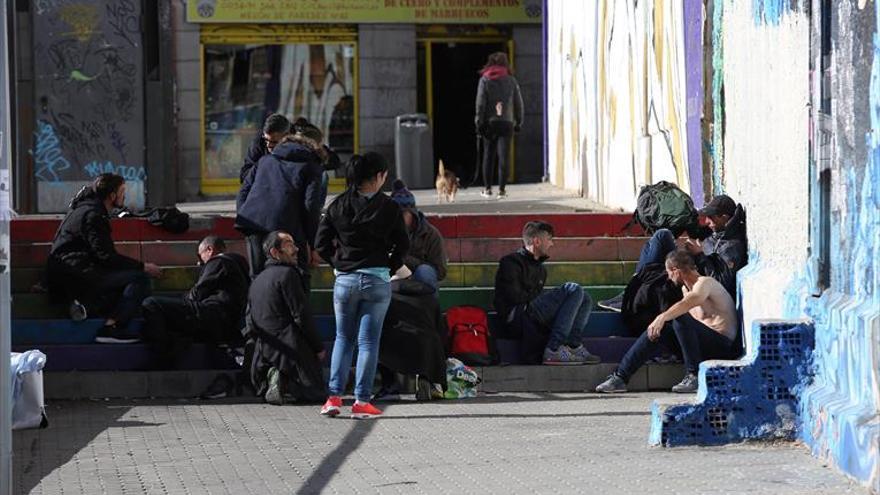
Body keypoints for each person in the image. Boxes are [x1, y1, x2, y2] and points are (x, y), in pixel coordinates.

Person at [314, 152, 409, 419]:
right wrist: (389, 268)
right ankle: (361, 401)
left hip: (345, 281)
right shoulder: (389, 208)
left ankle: (333, 398)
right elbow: (403, 245)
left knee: (343, 339)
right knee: (368, 343)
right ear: (379, 177)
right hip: (377, 281)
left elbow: (320, 244)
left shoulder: (337, 205)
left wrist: (338, 264)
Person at [596, 249, 742, 394]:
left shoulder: (705, 282)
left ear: (675, 270)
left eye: (668, 272)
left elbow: (692, 301)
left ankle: (693, 375)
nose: (668, 277)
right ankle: (620, 377)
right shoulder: (685, 290)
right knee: (659, 329)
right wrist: (659, 323)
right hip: (701, 348)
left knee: (678, 316)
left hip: (722, 346)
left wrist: (662, 317)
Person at [45, 173, 162, 344]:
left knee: (121, 284)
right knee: (140, 280)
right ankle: (112, 328)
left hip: (68, 274)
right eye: (122, 191)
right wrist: (143, 266)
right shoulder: (94, 215)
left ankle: (87, 305)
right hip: (78, 274)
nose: (125, 196)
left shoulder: (81, 209)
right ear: (112, 195)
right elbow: (106, 256)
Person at [598, 193, 748, 311]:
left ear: (724, 218)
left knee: (662, 239)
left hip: (693, 283)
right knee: (660, 238)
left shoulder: (732, 247)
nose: (707, 222)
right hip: (688, 267)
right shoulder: (717, 232)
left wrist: (700, 255)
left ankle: (630, 295)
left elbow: (720, 283)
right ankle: (630, 293)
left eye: (711, 218)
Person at [494, 221, 601, 365]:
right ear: (537, 241)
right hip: (518, 316)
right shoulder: (510, 262)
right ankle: (554, 348)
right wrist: (544, 298)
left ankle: (573, 345)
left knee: (585, 298)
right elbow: (514, 297)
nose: (552, 244)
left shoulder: (541, 270)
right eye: (549, 239)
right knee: (573, 289)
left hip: (533, 316)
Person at [245, 231, 327, 405]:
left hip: (264, 352)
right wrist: (317, 347)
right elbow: (301, 315)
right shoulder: (288, 275)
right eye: (289, 245)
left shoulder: (257, 280)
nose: (296, 249)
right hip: (289, 348)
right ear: (275, 252)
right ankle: (283, 379)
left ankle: (275, 376)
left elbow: (249, 320)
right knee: (315, 393)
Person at [141, 236, 249, 366]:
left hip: (214, 315)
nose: (199, 263)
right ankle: (178, 342)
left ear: (209, 249)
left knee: (152, 304)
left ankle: (161, 357)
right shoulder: (240, 264)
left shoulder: (219, 261)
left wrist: (183, 301)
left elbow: (197, 293)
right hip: (227, 321)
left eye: (200, 256)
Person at [236, 132, 325, 282]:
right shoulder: (311, 165)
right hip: (290, 228)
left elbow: (243, 192)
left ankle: (258, 304)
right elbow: (311, 205)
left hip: (255, 224)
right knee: (298, 276)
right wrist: (313, 243)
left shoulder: (264, 160)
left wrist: (244, 217)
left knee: (257, 277)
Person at [475, 51, 523, 200]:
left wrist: (479, 122)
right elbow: (518, 103)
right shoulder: (511, 80)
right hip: (507, 122)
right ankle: (501, 190)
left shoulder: (484, 80)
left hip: (490, 123)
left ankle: (488, 189)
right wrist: (519, 122)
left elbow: (480, 102)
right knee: (504, 157)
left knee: (488, 156)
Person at [389, 179, 448, 293]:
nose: (398, 219)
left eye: (402, 214)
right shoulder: (386, 232)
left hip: (421, 282)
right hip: (393, 279)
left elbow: (441, 272)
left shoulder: (430, 234)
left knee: (425, 271)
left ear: (412, 212)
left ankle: (428, 309)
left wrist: (405, 260)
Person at [239, 113, 291, 183]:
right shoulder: (259, 142)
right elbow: (244, 176)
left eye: (274, 142)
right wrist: (263, 166)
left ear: (286, 137)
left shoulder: (298, 148)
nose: (268, 145)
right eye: (266, 140)